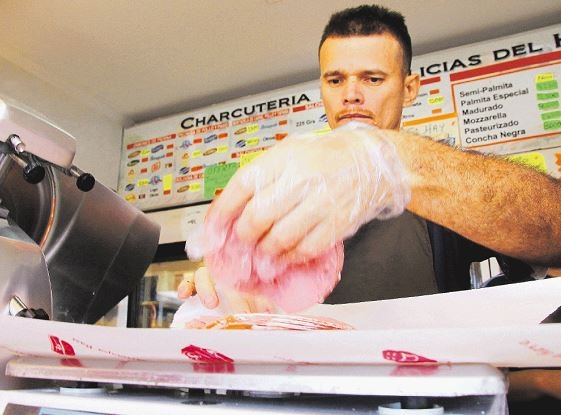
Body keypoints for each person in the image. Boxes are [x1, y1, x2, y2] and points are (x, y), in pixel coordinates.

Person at [179, 4, 561, 309]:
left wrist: (390, 162)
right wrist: (222, 289)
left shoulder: (445, 186)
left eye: (373, 78)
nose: (351, 95)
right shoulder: (283, 190)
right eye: (335, 80)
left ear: (409, 88)